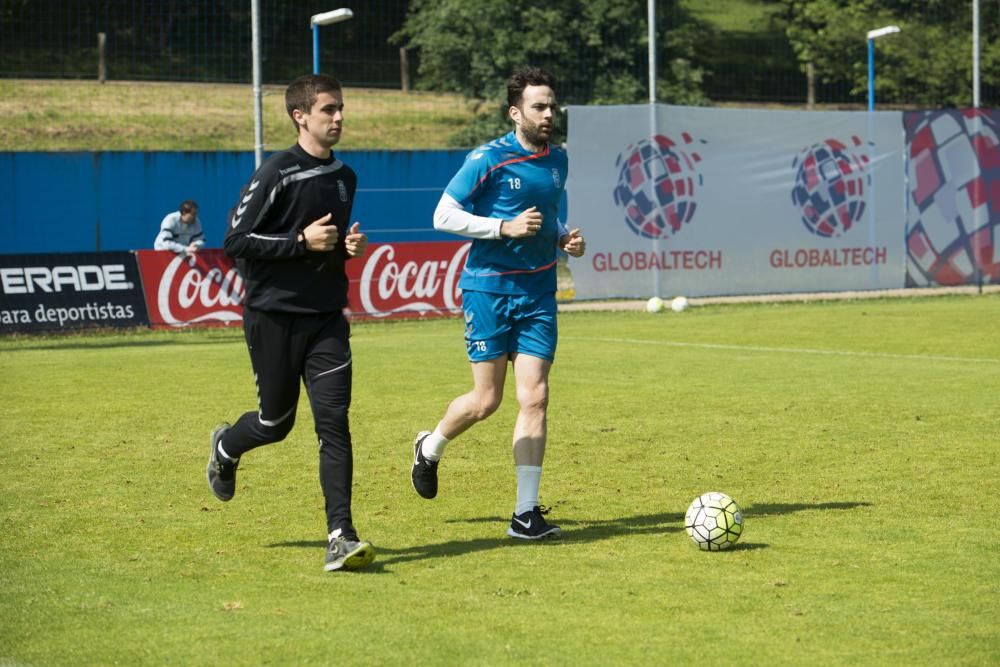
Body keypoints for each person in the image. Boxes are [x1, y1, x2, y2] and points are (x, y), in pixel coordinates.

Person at [206, 73, 374, 572]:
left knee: (334, 425)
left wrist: (343, 249)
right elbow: (234, 243)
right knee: (275, 424)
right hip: (273, 319)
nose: (339, 117)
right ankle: (225, 446)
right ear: (300, 116)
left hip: (326, 320)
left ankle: (341, 535)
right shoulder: (277, 171)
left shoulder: (346, 178)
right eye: (328, 110)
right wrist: (300, 244)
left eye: (341, 108)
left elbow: (327, 248)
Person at [410, 66, 586, 540]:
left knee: (536, 396)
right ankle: (430, 447)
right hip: (487, 289)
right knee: (486, 401)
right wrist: (500, 228)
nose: (549, 114)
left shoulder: (558, 160)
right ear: (515, 112)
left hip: (538, 292)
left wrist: (563, 237)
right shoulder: (487, 158)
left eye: (552, 106)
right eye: (539, 106)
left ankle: (525, 514)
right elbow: (442, 215)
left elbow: (546, 216)